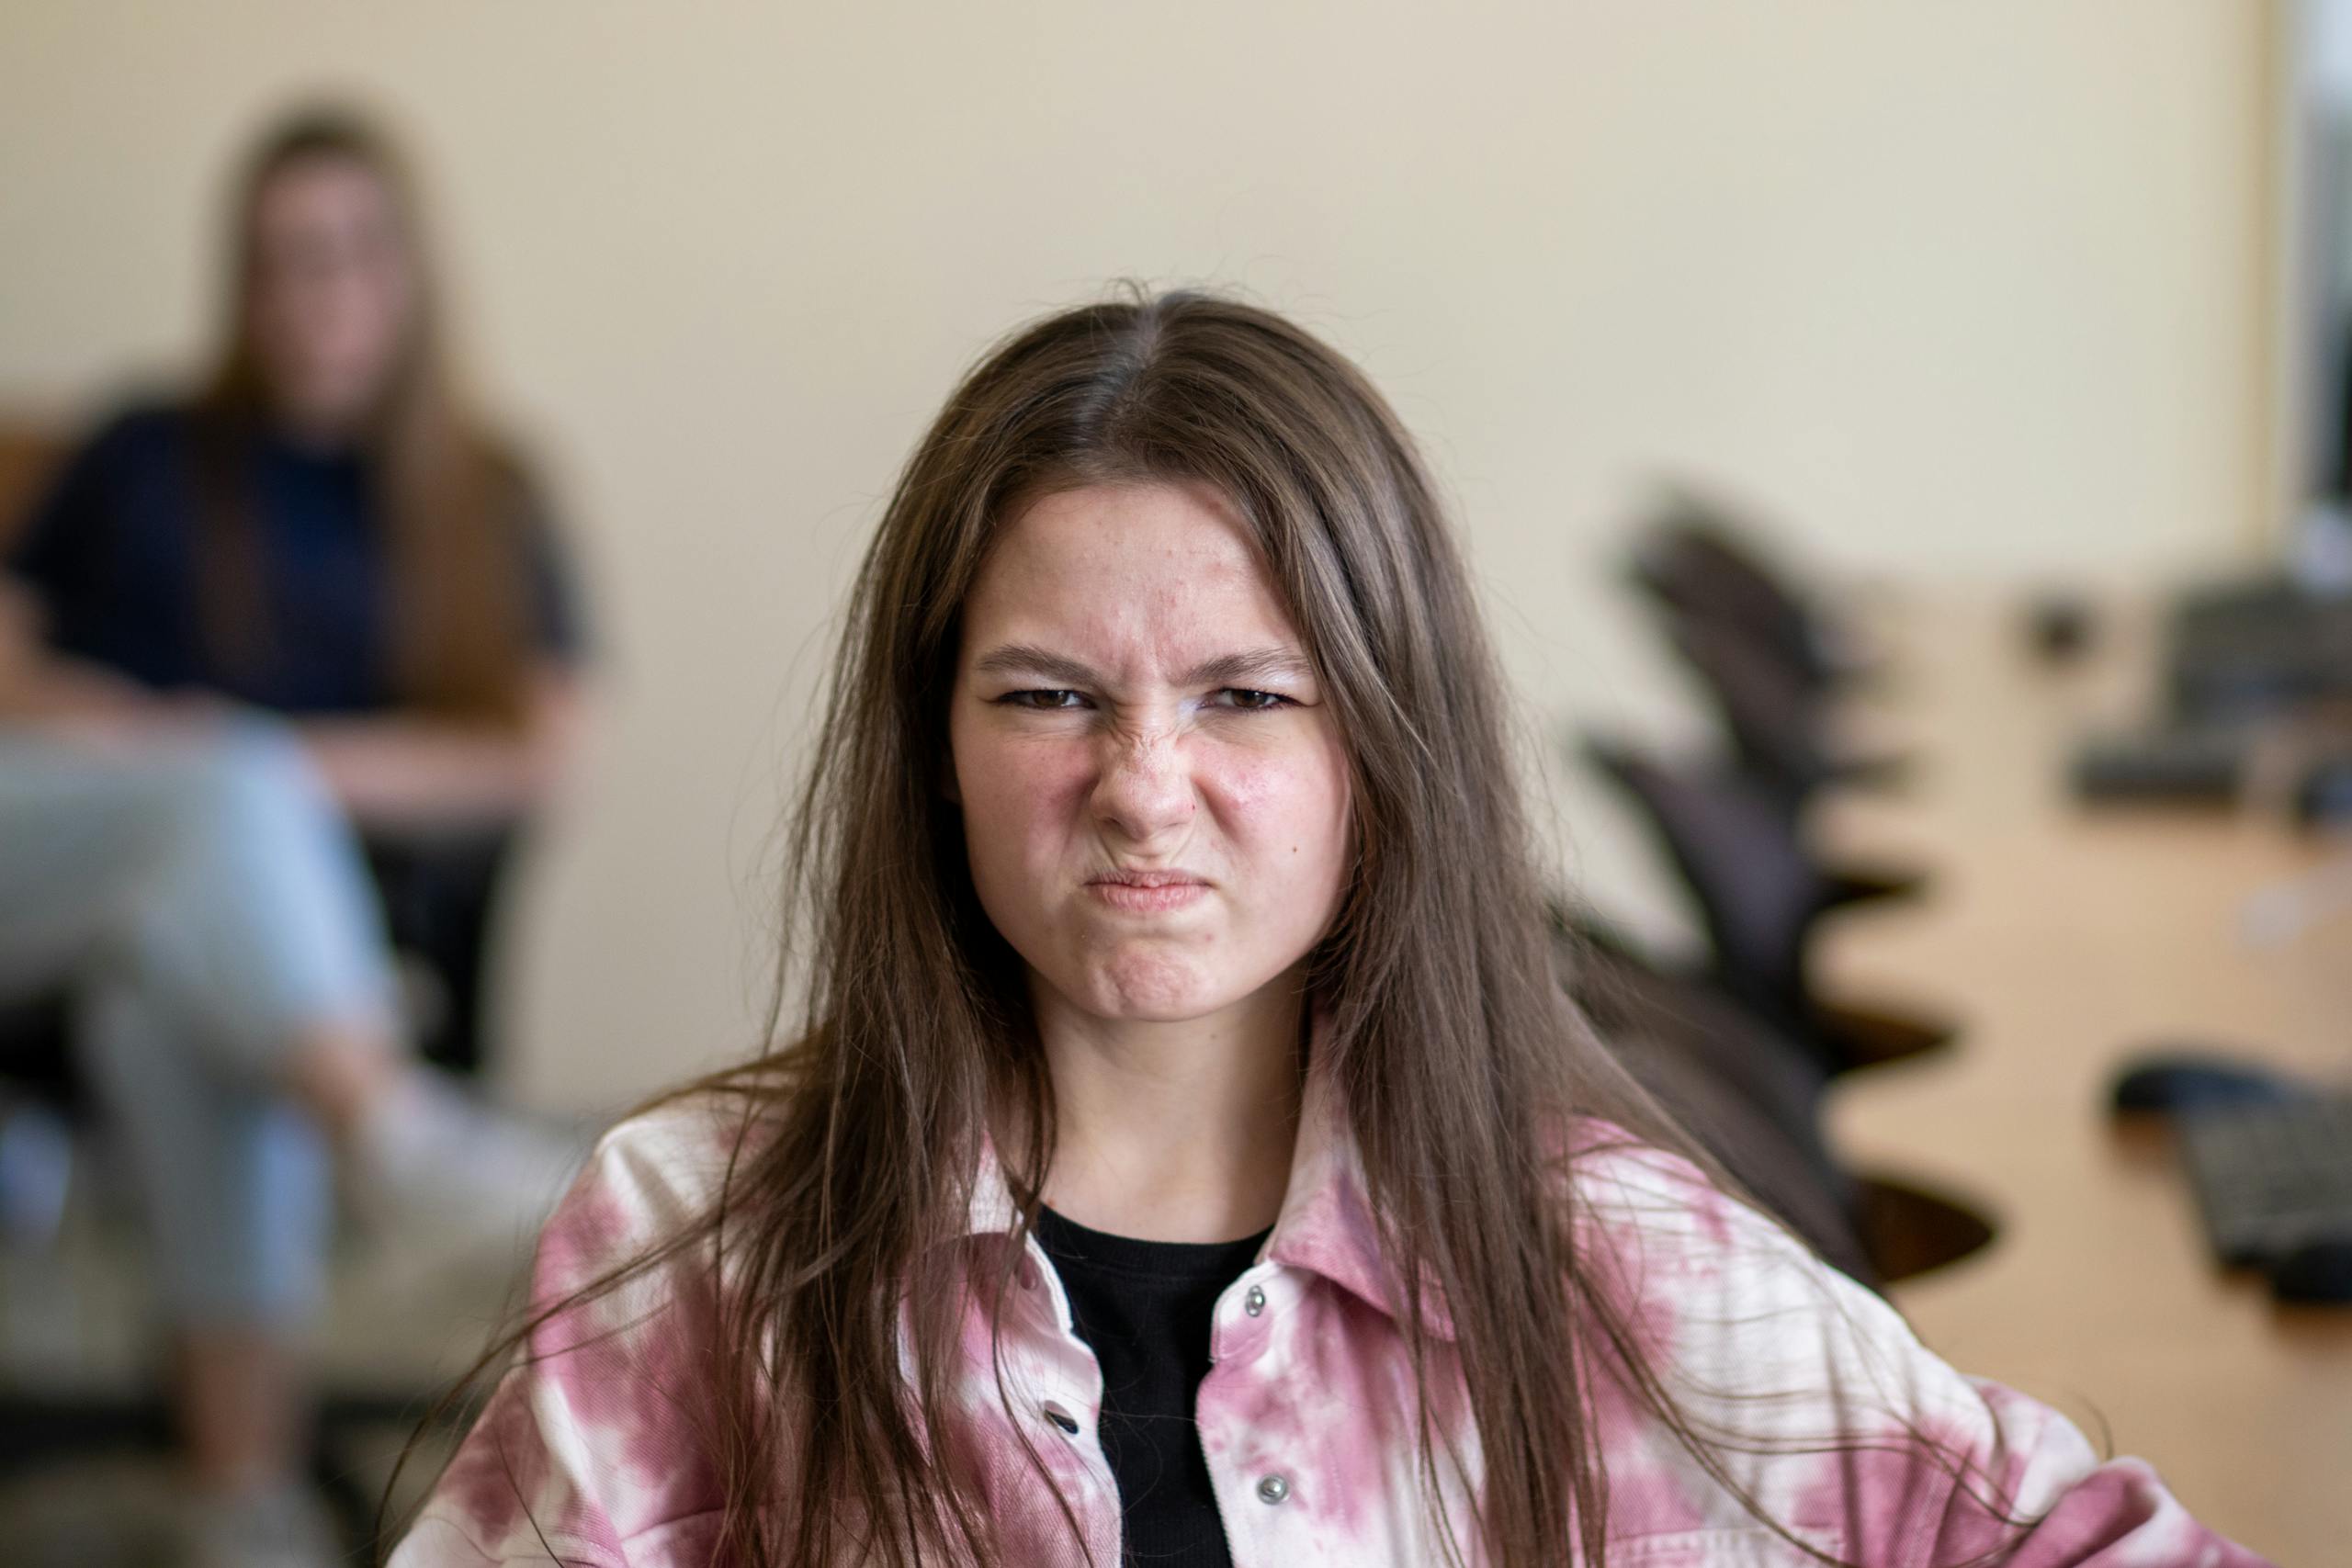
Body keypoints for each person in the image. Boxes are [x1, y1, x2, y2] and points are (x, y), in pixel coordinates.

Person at [388, 291, 2261, 1567]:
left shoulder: (1597, 1269)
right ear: (929, 747)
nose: (1139, 784)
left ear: (1382, 747)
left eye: (1244, 697)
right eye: (1044, 695)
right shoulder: (697, 1248)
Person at [0, 107, 591, 1567]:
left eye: (345, 256)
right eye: (277, 262)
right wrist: (181, 757)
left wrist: (281, 773)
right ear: (239, 284)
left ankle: (240, 1499)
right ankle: (387, 1129)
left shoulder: (484, 491)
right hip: (48, 842)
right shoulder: (143, 450)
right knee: (215, 807)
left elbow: (535, 750)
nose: (311, 293)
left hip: (206, 943)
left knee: (170, 999)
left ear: (407, 274)